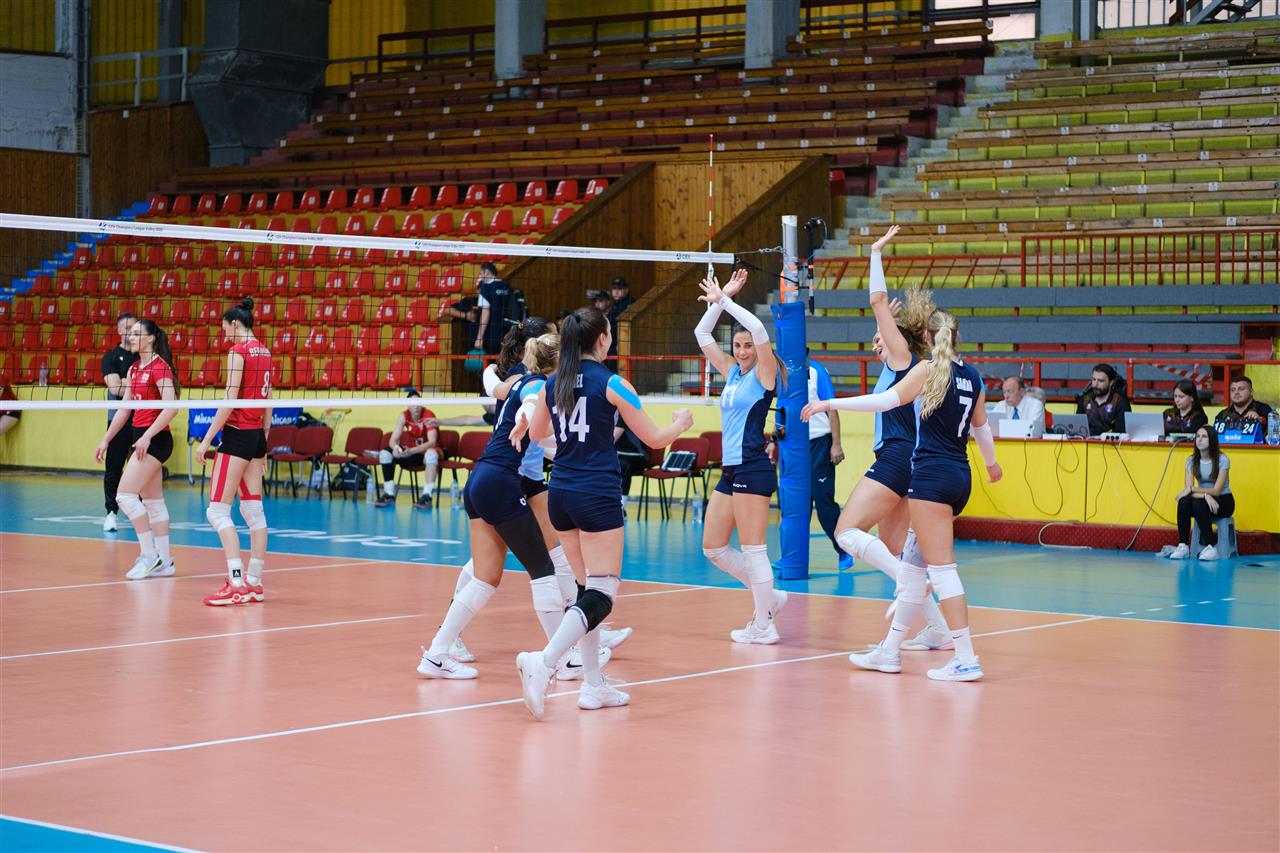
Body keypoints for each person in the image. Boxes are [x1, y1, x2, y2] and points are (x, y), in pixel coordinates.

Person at [510, 306, 692, 719]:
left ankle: (593, 684)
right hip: (596, 494)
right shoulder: (613, 383)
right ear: (603, 339)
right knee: (603, 593)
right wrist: (680, 423)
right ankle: (545, 661)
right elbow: (654, 439)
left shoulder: (554, 382)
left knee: (583, 590)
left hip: (560, 492)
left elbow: (537, 433)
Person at [805, 307, 1003, 682]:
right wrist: (992, 466)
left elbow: (884, 401)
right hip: (960, 476)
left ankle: (965, 658)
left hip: (930, 478)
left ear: (927, 337)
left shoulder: (928, 371)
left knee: (941, 572)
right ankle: (889, 652)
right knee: (912, 571)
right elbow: (982, 429)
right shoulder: (973, 377)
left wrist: (830, 404)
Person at [442, 317, 632, 670]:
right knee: (520, 565)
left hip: (519, 477)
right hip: (509, 477)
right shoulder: (537, 383)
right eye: (555, 338)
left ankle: (584, 626)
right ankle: (561, 652)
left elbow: (498, 390)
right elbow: (532, 408)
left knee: (555, 556)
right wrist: (528, 421)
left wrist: (489, 373)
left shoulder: (528, 378)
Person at [827, 226, 952, 652]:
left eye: (882, 336)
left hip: (897, 457)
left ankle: (907, 585)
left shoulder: (905, 361)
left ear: (900, 338)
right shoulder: (901, 365)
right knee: (895, 547)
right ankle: (937, 627)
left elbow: (878, 301)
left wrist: (876, 253)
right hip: (910, 461)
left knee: (846, 531)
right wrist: (888, 324)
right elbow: (883, 318)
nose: (876, 342)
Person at [693, 267, 787, 644]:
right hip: (731, 469)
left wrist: (726, 301)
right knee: (713, 547)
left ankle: (764, 624)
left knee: (753, 550)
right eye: (738, 345)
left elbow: (760, 330)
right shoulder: (731, 372)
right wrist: (721, 300)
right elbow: (702, 334)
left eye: (748, 345)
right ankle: (769, 598)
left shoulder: (765, 373)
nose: (743, 351)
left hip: (753, 467)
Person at [195, 298, 273, 606]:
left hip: (237, 435)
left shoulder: (237, 352)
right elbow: (269, 400)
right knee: (254, 512)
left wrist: (206, 440)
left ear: (235, 324)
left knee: (217, 511)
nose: (224, 333)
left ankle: (236, 583)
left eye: (225, 327)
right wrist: (263, 443)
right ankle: (255, 582)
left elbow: (230, 399)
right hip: (255, 437)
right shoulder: (265, 352)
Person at [94, 319, 180, 581]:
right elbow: (125, 408)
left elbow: (172, 407)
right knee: (153, 502)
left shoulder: (159, 367)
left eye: (136, 333)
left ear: (151, 338)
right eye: (129, 334)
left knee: (124, 496)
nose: (130, 337)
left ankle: (149, 555)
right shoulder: (134, 368)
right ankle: (165, 561)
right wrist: (106, 439)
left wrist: (148, 436)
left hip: (155, 439)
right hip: (141, 437)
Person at [770, 353, 851, 570]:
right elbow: (781, 410)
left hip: (820, 444)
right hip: (794, 447)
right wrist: (773, 441)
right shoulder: (783, 374)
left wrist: (836, 444)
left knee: (823, 501)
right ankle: (791, 557)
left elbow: (831, 408)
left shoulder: (817, 372)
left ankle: (844, 550)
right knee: (796, 504)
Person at [1168, 425, 1234, 561]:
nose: (1199, 439)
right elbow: (1188, 491)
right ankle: (1183, 545)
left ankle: (1210, 547)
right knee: (1184, 502)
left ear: (1212, 440)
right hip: (1203, 499)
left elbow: (1216, 491)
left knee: (1198, 504)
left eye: (1204, 436)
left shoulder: (1223, 460)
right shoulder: (1191, 461)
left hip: (1223, 500)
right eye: (1198, 436)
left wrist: (1194, 490)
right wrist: (1204, 495)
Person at [100, 312, 139, 533]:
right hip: (118, 420)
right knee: (114, 468)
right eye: (126, 328)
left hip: (142, 420)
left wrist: (126, 382)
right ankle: (111, 513)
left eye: (134, 328)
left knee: (141, 468)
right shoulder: (111, 357)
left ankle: (140, 510)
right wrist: (134, 384)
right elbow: (115, 389)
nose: (130, 332)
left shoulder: (144, 355)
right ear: (118, 330)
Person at [375, 391, 438, 508]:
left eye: (418, 403)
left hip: (430, 452)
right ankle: (389, 494)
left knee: (431, 454)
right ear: (407, 405)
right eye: (412, 403)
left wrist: (411, 451)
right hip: (414, 453)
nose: (416, 406)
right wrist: (396, 448)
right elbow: (392, 441)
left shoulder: (428, 415)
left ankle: (427, 496)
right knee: (385, 453)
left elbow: (432, 442)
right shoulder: (404, 416)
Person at [472, 261, 515, 355]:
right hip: (508, 332)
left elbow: (485, 312)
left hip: (491, 334)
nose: (480, 276)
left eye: (481, 273)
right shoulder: (507, 287)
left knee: (491, 361)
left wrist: (479, 338)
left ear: (486, 272)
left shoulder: (486, 288)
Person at [1077, 363, 1131, 436]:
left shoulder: (1121, 402)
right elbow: (1078, 429)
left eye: (1101, 381)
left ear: (1111, 382)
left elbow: (1122, 432)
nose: (1095, 384)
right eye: (1094, 379)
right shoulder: (1084, 400)